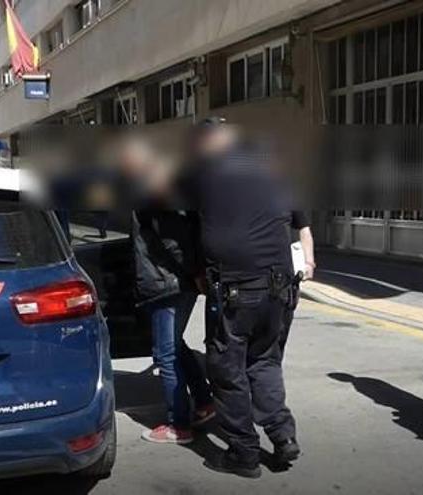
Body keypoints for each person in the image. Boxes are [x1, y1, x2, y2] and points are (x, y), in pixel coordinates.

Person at [182, 119, 303, 478]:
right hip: (279, 288)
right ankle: (282, 435)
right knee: (263, 361)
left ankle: (244, 453)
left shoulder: (204, 174)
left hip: (238, 289)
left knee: (227, 370)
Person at [119, 137, 215, 445]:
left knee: (165, 353)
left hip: (167, 284)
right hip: (175, 282)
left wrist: (193, 272)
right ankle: (204, 403)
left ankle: (179, 425)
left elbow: (173, 241)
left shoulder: (154, 190)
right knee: (175, 346)